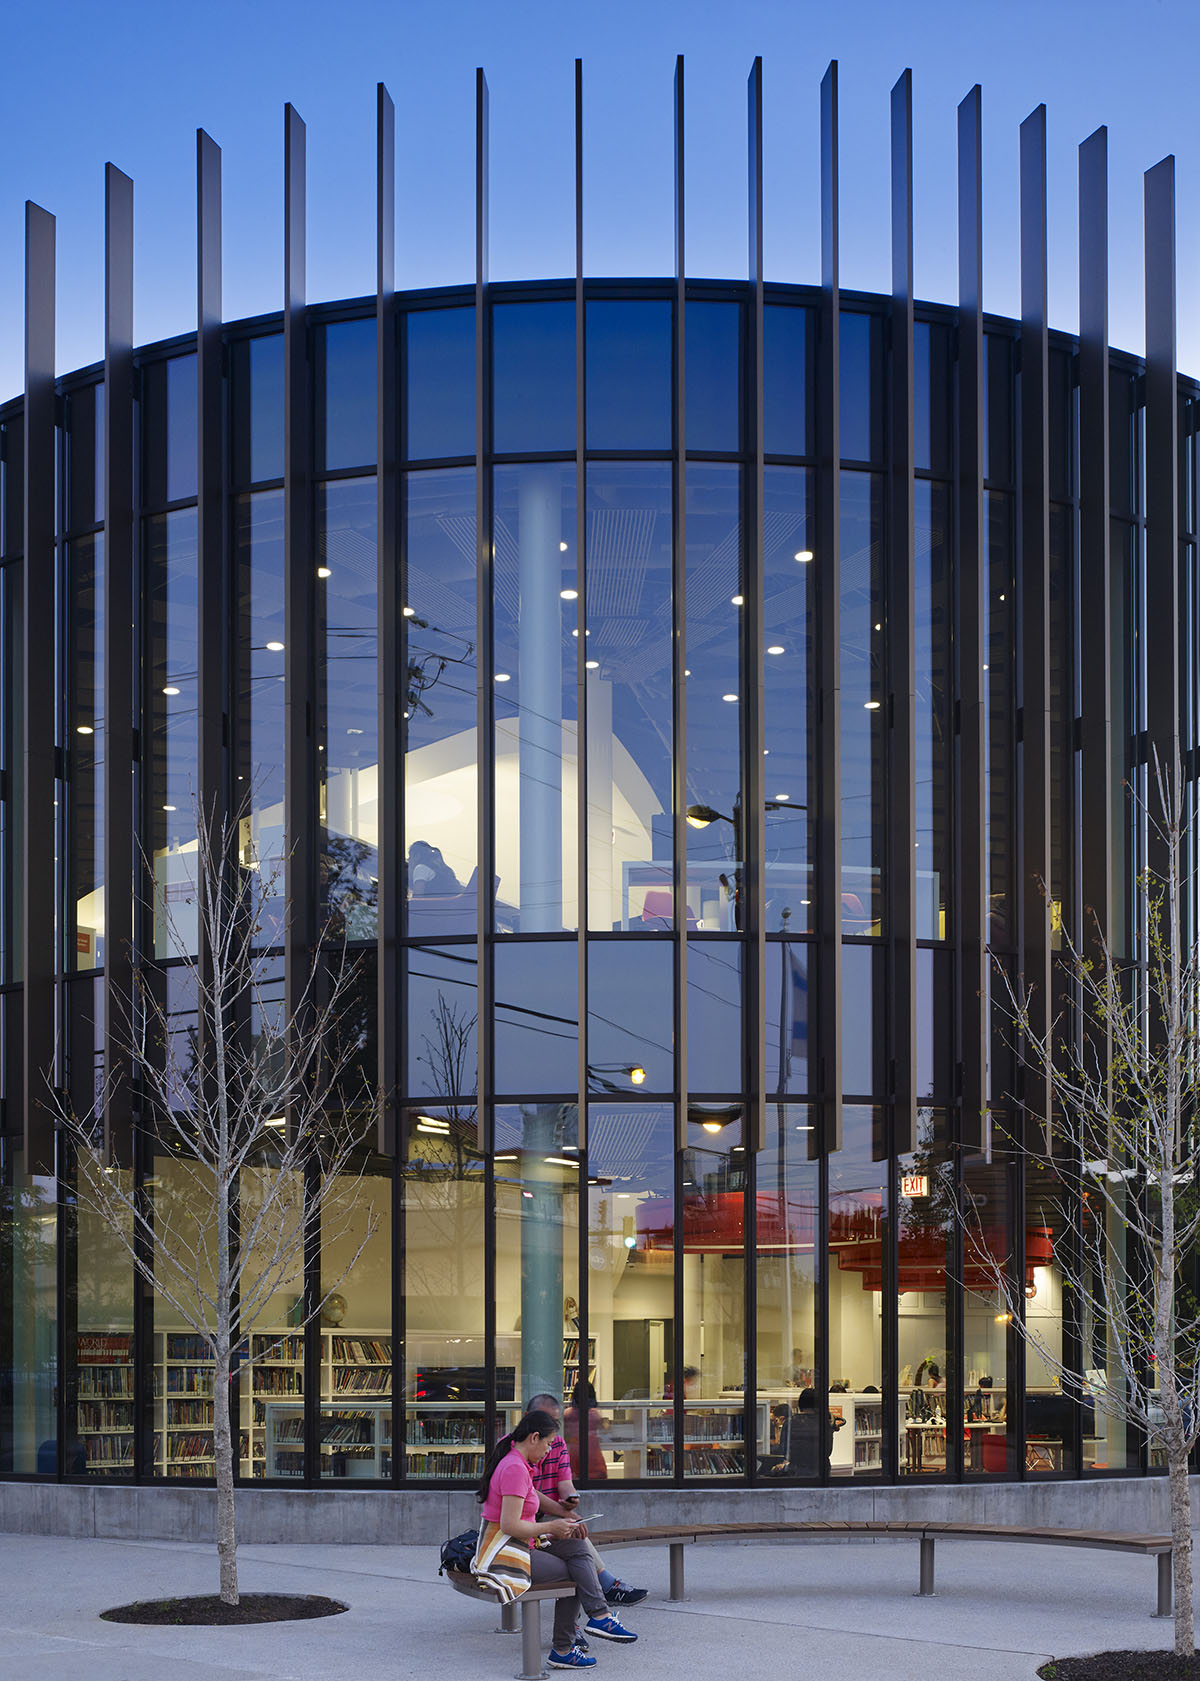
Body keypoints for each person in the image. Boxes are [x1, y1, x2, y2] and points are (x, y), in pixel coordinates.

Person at [476, 1409, 638, 1670]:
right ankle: (564, 1647)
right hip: (503, 1552)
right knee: (573, 1575)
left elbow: (534, 1496)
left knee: (576, 1545)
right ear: (534, 1438)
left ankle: (599, 1615)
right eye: (549, 1444)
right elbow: (509, 1525)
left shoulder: (518, 1461)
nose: (550, 1450)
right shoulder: (515, 1467)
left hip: (518, 1545)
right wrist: (550, 1526)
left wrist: (566, 1514)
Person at [528, 1388, 647, 1607]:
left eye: (556, 1423)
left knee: (577, 1543)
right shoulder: (516, 1451)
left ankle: (592, 1612)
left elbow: (565, 1482)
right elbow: (528, 1493)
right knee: (576, 1561)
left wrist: (571, 1499)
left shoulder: (557, 1444)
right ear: (529, 1420)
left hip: (548, 1517)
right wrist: (565, 1513)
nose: (552, 1429)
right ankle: (603, 1595)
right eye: (547, 1422)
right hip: (526, 1523)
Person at [787, 1387, 835, 1477]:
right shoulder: (824, 1422)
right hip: (821, 1470)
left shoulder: (791, 1422)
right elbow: (828, 1450)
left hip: (798, 1470)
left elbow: (785, 1450)